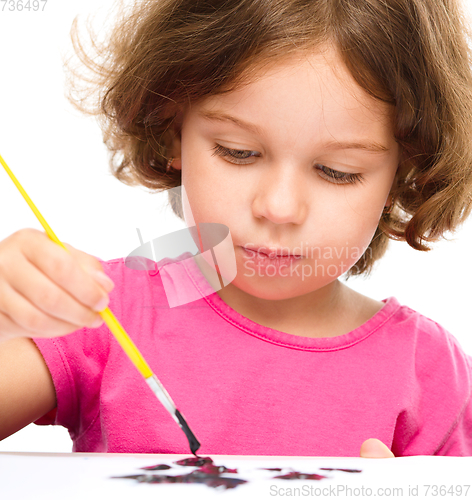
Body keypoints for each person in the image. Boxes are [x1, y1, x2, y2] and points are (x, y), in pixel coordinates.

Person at [1, 0, 472, 458]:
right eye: (238, 151)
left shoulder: (428, 372)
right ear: (172, 132)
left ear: (405, 172)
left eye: (337, 171)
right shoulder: (101, 312)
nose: (279, 207)